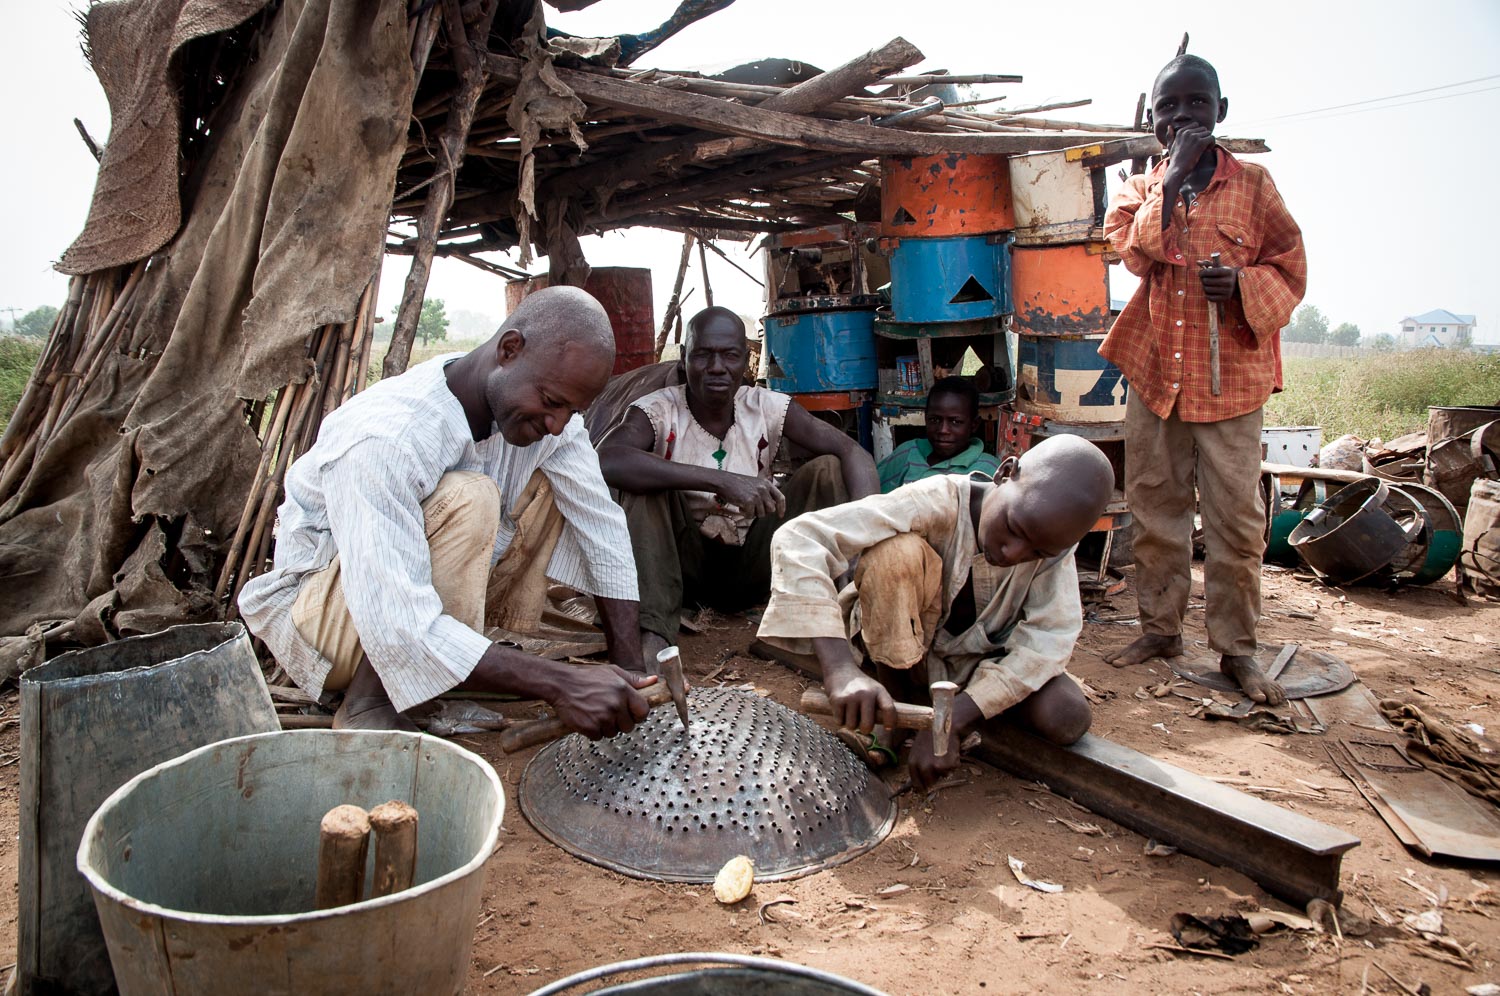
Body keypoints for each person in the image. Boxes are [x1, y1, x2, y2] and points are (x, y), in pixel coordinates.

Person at [239, 286, 657, 734]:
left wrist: (630, 671)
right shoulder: (389, 437)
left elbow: (602, 526)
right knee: (472, 497)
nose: (557, 423)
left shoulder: (544, 416)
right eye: (552, 403)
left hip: (400, 613)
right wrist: (563, 684)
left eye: (572, 411)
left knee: (563, 486)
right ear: (509, 350)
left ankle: (440, 671)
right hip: (327, 625)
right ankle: (369, 703)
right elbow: (395, 620)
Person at [1099, 55, 1306, 705]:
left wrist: (1242, 286)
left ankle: (1237, 649)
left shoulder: (1256, 186)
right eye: (1169, 105)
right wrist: (1176, 176)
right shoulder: (1140, 188)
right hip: (1158, 372)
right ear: (1153, 117)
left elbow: (1291, 270)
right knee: (1156, 511)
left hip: (1233, 379)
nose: (1182, 115)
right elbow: (1132, 250)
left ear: (1221, 109)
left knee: (1235, 524)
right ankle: (1160, 630)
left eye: (1196, 102)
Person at [757, 434, 1115, 791]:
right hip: (906, 658)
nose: (1013, 553)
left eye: (1036, 551)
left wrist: (954, 719)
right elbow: (799, 538)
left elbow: (1049, 638)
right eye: (1013, 528)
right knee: (893, 556)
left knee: (1067, 716)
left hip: (974, 665)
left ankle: (951, 709)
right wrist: (840, 669)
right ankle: (896, 707)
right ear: (1005, 472)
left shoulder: (1054, 547)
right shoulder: (934, 499)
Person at [597, 306, 880, 668]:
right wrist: (722, 480)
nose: (717, 367)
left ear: (745, 361)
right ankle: (653, 636)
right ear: (684, 361)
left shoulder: (766, 407)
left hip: (756, 564)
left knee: (827, 469)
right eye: (703, 354)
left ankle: (816, 624)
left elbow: (851, 450)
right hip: (683, 572)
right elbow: (607, 458)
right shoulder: (657, 410)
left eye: (729, 355)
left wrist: (869, 537)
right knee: (644, 486)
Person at [877, 376, 1001, 492]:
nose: (943, 430)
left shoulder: (988, 470)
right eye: (934, 420)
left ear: (974, 424)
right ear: (925, 418)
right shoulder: (908, 453)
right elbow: (874, 497)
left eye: (955, 422)